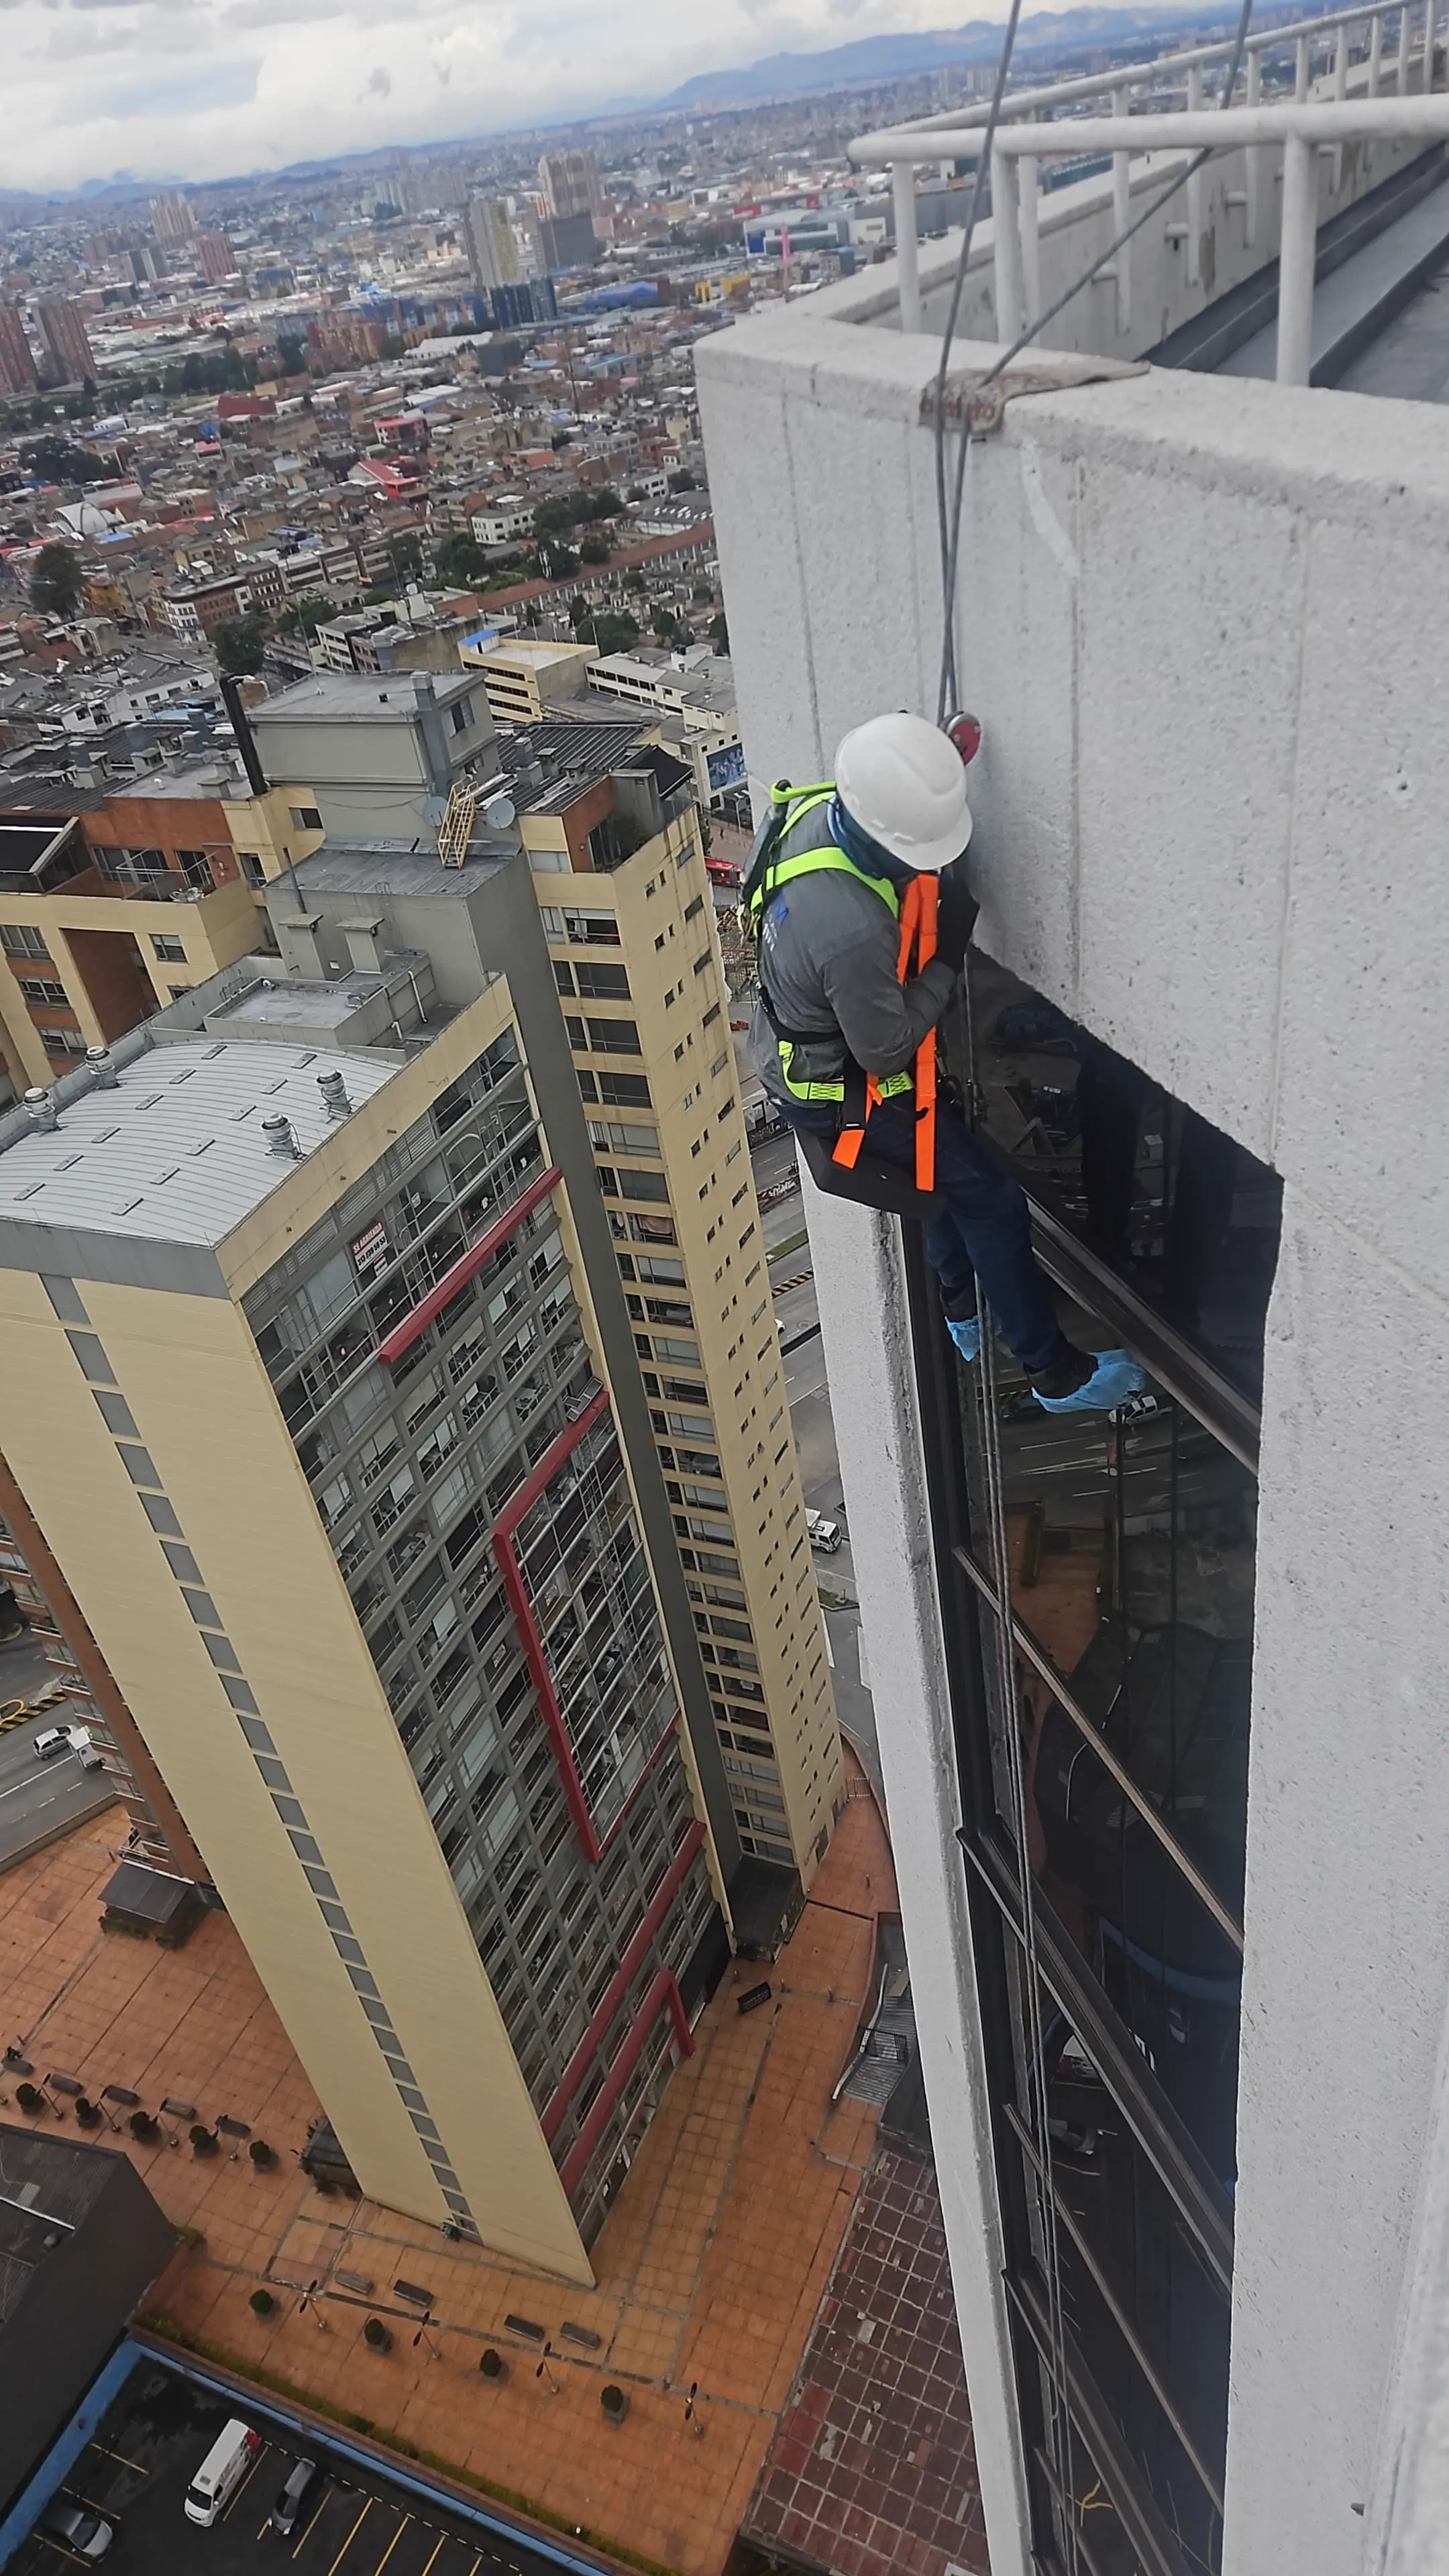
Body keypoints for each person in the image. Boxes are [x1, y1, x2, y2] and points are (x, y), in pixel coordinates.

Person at [747, 711, 1145, 1413]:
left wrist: (940, 760)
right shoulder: (849, 928)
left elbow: (892, 782)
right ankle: (1053, 1371)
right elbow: (886, 1049)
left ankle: (959, 1295)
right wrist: (944, 961)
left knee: (932, 1168)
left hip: (796, 1047)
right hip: (837, 1087)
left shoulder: (817, 807)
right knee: (987, 1195)